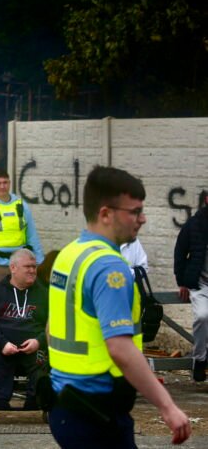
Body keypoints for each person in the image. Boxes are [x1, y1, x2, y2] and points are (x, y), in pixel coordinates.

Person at [47, 166, 190, 447]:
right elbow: (120, 349)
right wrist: (168, 407)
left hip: (65, 404)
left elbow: (52, 329)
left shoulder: (69, 254)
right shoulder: (109, 268)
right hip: (97, 412)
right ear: (105, 214)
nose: (143, 218)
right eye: (135, 211)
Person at [0, 248, 48, 411]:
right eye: (27, 267)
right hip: (3, 347)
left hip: (34, 348)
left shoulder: (44, 294)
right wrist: (2, 344)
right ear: (13, 268)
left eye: (34, 266)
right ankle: (0, 398)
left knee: (41, 359)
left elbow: (53, 324)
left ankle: (35, 398)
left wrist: (39, 341)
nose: (32, 270)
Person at [0, 170, 44, 287]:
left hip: (20, 264)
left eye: (5, 182)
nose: (2, 186)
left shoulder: (22, 206)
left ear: (10, 183)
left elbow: (32, 236)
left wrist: (40, 262)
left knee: (19, 301)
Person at [174, 191, 208, 382]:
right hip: (200, 284)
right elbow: (180, 252)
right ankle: (200, 360)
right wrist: (182, 281)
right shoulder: (195, 225)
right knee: (203, 316)